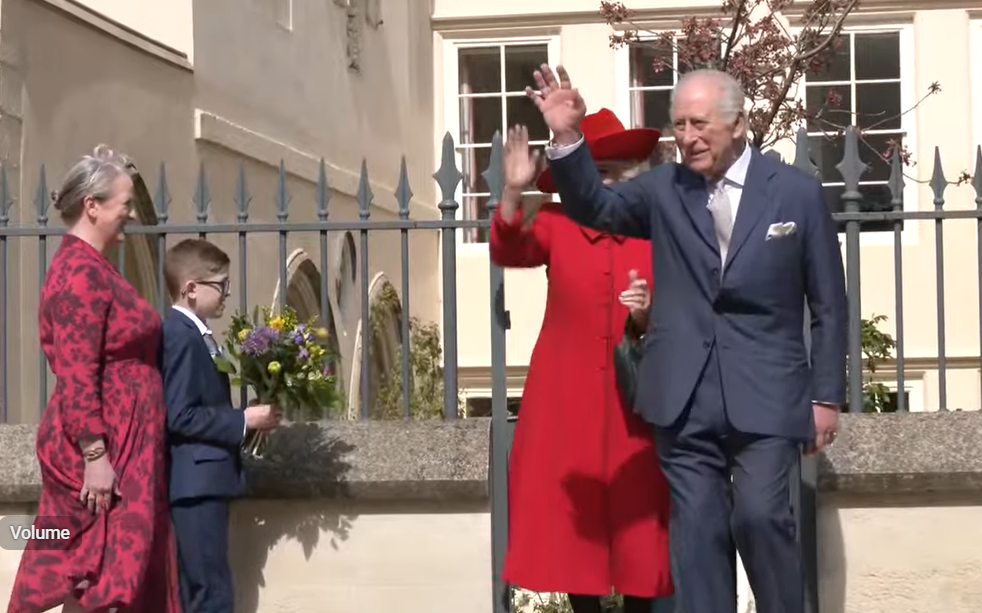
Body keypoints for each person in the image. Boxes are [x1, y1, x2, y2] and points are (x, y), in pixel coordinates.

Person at [524, 65, 847, 613]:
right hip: (683, 397)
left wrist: (824, 397)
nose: (688, 137)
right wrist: (566, 137)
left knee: (760, 517)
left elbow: (828, 304)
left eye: (701, 124)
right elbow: (595, 207)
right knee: (696, 540)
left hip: (767, 394)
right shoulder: (664, 189)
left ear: (739, 123)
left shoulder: (796, 194)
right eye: (679, 126)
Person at [492, 110, 674, 613]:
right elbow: (509, 248)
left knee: (642, 534)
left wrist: (645, 317)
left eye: (624, 170)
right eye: (604, 172)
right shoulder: (557, 223)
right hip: (566, 402)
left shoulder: (659, 230)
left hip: (637, 409)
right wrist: (512, 192)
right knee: (575, 534)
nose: (615, 182)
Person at [7, 146, 182, 613]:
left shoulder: (96, 268)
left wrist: (117, 167)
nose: (129, 212)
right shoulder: (77, 275)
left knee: (116, 572)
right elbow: (77, 373)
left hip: (130, 442)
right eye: (122, 202)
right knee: (100, 575)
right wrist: (96, 455)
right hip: (108, 447)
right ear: (92, 206)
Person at [161, 238, 282, 613]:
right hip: (195, 484)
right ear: (191, 288)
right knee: (210, 595)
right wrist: (244, 419)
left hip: (207, 482)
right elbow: (179, 414)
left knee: (210, 590)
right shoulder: (180, 335)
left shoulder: (198, 333)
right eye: (221, 285)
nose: (227, 293)